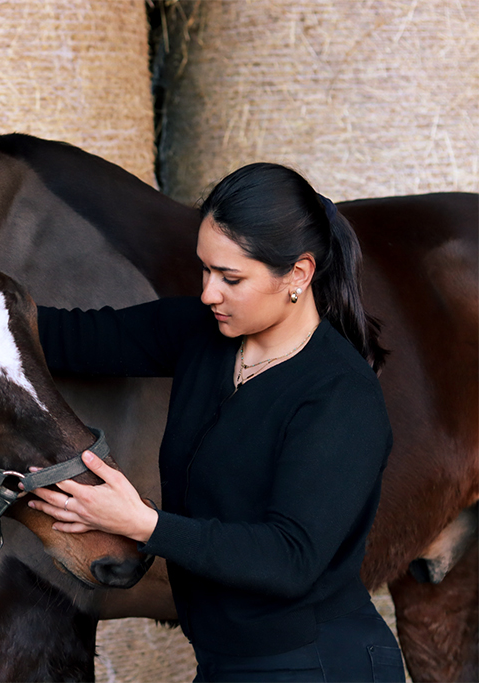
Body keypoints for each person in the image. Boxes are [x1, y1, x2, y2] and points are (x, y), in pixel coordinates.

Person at [29, 163, 405, 682]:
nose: (209, 293)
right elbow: (67, 338)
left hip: (316, 664)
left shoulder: (340, 394)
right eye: (205, 271)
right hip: (224, 662)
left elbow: (289, 559)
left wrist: (141, 523)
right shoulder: (200, 334)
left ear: (298, 274)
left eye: (231, 278)